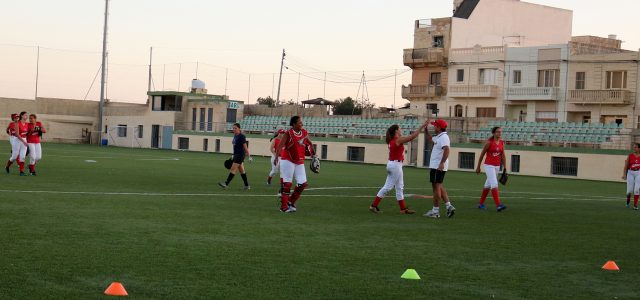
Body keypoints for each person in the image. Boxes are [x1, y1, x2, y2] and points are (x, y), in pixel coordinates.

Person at [369, 121, 428, 214]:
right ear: (396, 131)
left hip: (395, 164)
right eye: (400, 128)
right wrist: (421, 127)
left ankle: (403, 209)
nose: (401, 130)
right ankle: (373, 206)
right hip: (395, 165)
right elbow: (411, 137)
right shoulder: (397, 140)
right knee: (388, 187)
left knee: (399, 187)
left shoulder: (393, 140)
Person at [273, 116, 315, 213]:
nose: (302, 124)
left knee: (303, 183)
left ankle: (290, 202)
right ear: (294, 124)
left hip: (299, 161)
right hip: (287, 159)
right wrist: (276, 157)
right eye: (300, 122)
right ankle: (283, 207)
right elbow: (280, 146)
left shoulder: (304, 132)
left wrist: (313, 153)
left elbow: (309, 142)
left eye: (301, 122)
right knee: (287, 184)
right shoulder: (288, 133)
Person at [423, 119, 456, 218]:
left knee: (436, 188)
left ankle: (435, 211)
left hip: (437, 166)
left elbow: (447, 150)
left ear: (439, 127)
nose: (433, 127)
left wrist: (441, 163)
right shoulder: (439, 136)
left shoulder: (444, 137)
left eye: (435, 126)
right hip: (436, 165)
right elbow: (430, 139)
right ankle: (449, 206)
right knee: (439, 186)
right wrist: (425, 129)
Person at [475, 126, 508, 212]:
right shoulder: (489, 143)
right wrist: (478, 166)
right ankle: (498, 205)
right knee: (494, 183)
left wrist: (505, 167)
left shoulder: (501, 142)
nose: (499, 133)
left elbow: (503, 155)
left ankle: (481, 204)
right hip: (489, 165)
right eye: (497, 132)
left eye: (500, 132)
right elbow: (482, 155)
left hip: (497, 166)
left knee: (488, 185)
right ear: (493, 133)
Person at [218, 123, 252, 189]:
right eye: (233, 128)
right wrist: (233, 154)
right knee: (242, 171)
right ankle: (247, 185)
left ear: (239, 128)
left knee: (233, 169)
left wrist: (249, 156)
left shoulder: (242, 136)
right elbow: (234, 146)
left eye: (235, 128)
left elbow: (245, 147)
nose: (234, 129)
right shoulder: (235, 136)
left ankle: (226, 183)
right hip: (236, 155)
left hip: (240, 155)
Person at [5, 112, 29, 176]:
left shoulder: (27, 124)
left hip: (24, 139)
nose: (27, 116)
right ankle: (7, 166)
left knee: (22, 157)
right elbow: (17, 134)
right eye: (25, 115)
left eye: (27, 115)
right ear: (22, 116)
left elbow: (27, 133)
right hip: (17, 140)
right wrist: (24, 142)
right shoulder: (17, 123)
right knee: (14, 156)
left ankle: (21, 172)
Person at [623, 143, 640, 209]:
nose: (634, 148)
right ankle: (628, 201)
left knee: (636, 189)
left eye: (635, 147)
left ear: (639, 148)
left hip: (638, 172)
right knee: (629, 190)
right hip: (630, 173)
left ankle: (635, 205)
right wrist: (624, 174)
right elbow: (626, 166)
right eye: (634, 147)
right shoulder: (630, 156)